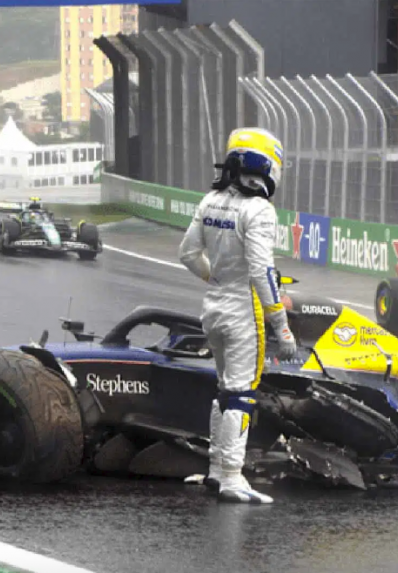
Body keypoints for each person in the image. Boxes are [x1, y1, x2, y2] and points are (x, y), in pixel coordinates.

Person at [178, 127, 298, 504]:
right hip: (243, 310)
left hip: (212, 307)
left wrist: (213, 278)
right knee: (242, 394)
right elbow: (263, 271)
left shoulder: (209, 201)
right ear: (266, 165)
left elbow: (187, 253)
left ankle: (216, 471)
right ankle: (232, 475)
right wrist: (282, 326)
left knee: (224, 390)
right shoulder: (259, 209)